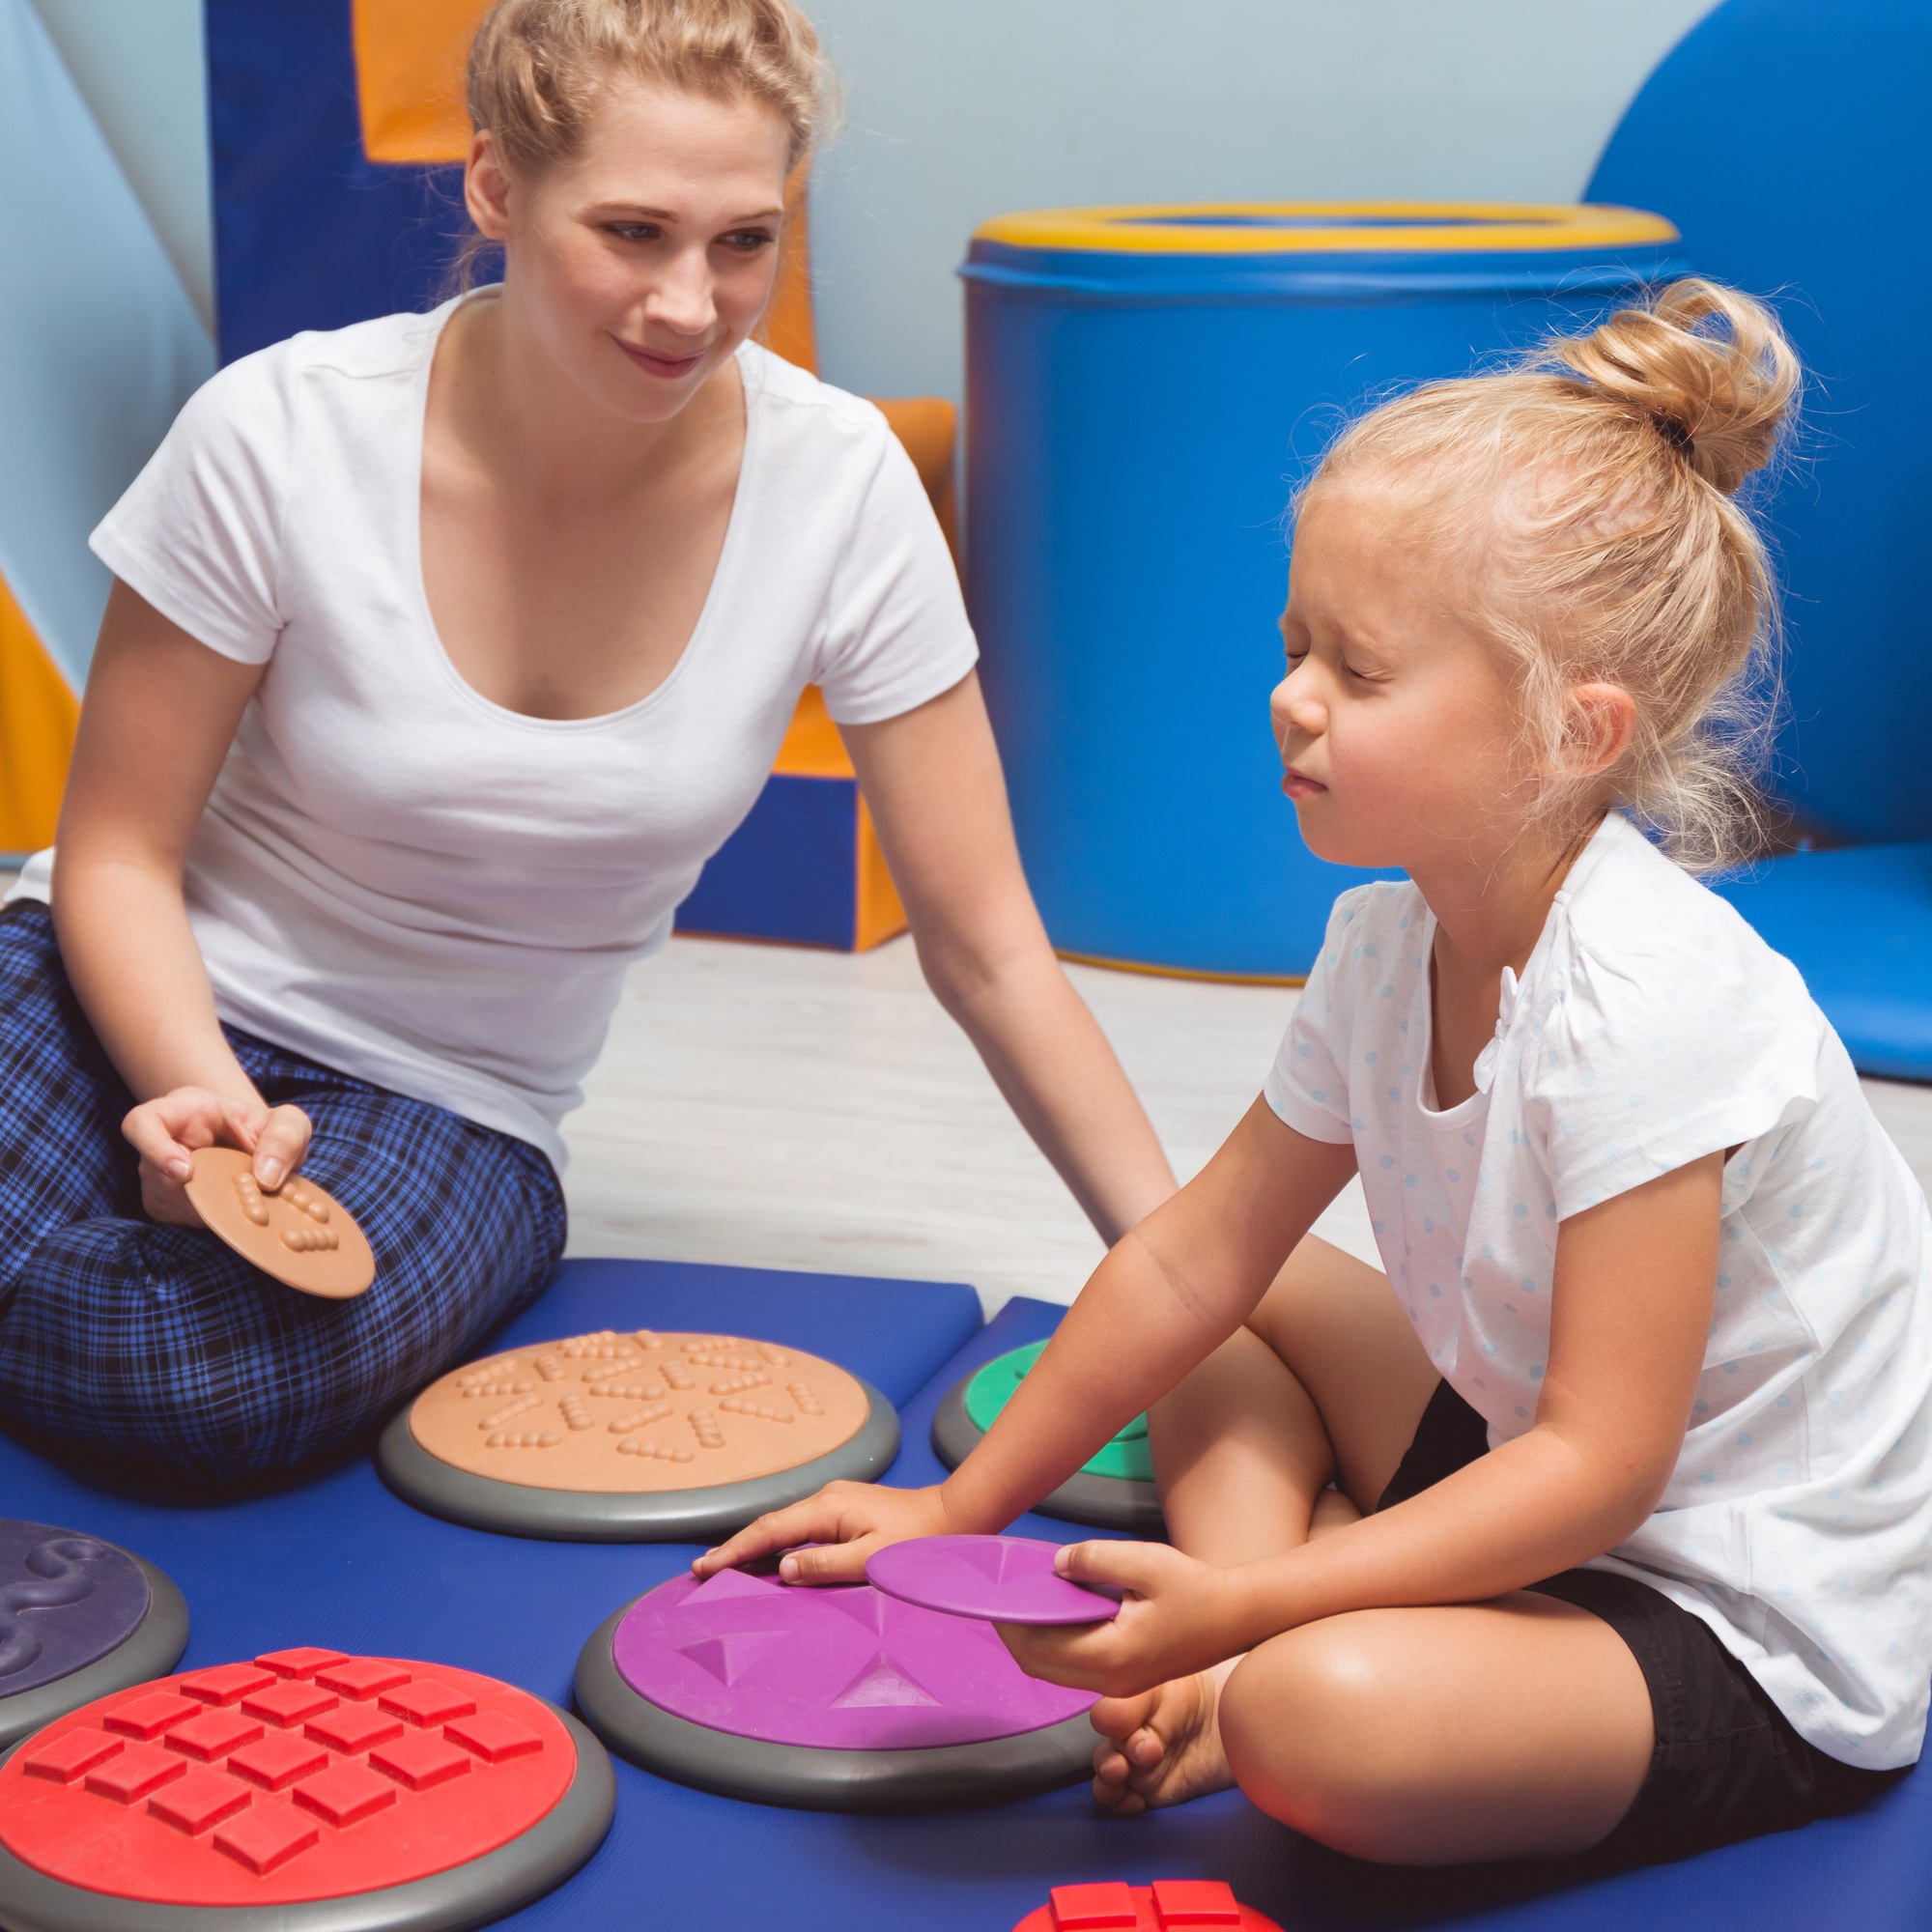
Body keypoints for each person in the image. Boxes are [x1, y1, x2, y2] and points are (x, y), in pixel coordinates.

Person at [698, 281, 1932, 1869]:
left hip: (1723, 1606)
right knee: (1221, 1301)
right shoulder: (1377, 944)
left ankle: (1249, 1657)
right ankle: (1246, 1635)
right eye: (1295, 645)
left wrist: (1255, 1606)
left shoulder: (1651, 1003)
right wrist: (959, 1510)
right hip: (1518, 1478)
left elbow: (1599, 1469)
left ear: (1574, 731)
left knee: (1311, 1719)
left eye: (1358, 671)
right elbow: (1197, 1253)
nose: (1290, 698)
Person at [0, 0, 1175, 1489]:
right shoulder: (283, 432)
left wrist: (1176, 1266)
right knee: (123, 1285)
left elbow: (991, 945)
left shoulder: (840, 488)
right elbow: (114, 852)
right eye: (631, 232)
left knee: (195, 1377)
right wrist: (201, 1101)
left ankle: (90, 1274)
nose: (691, 302)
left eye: (745, 241)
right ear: (496, 187)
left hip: (449, 1098)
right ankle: (103, 1248)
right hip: (131, 988)